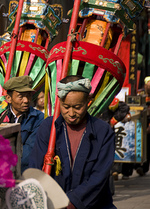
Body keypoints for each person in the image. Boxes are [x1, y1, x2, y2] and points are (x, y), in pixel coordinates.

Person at [29, 75, 115, 209]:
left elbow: (99, 176)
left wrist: (72, 202)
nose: (71, 113)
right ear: (59, 102)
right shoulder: (49, 128)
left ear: (88, 101)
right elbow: (35, 166)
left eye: (77, 107)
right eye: (66, 106)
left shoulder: (103, 131)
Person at [0, 75, 44, 173]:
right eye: (21, 96)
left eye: (28, 95)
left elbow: (29, 150)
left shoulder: (39, 118)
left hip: (22, 172)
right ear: (9, 98)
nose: (26, 100)